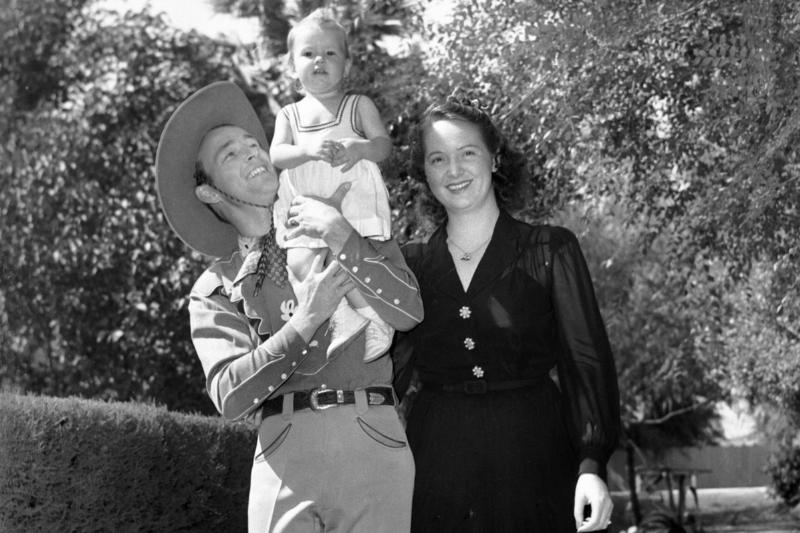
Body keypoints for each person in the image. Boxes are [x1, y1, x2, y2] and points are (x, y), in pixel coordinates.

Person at [154, 81, 423, 532]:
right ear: (209, 192)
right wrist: (307, 318)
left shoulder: (350, 218)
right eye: (230, 155)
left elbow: (409, 311)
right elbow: (230, 395)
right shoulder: (214, 288)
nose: (253, 154)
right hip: (284, 460)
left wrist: (342, 236)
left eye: (252, 145)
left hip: (373, 442)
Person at [396, 95, 621, 532]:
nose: (454, 170)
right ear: (424, 172)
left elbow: (586, 362)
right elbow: (384, 373)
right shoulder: (409, 264)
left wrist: (591, 465)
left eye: (468, 153)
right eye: (438, 159)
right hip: (435, 460)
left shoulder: (550, 249)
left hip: (534, 453)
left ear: (495, 158)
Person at [270, 8, 394, 363]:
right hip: (306, 200)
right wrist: (306, 149)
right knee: (300, 263)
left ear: (347, 65)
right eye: (308, 54)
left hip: (350, 198)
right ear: (292, 66)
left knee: (347, 259)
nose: (319, 61)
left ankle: (373, 318)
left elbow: (383, 146)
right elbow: (277, 154)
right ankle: (342, 317)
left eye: (330, 53)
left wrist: (362, 147)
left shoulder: (357, 105)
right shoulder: (289, 114)